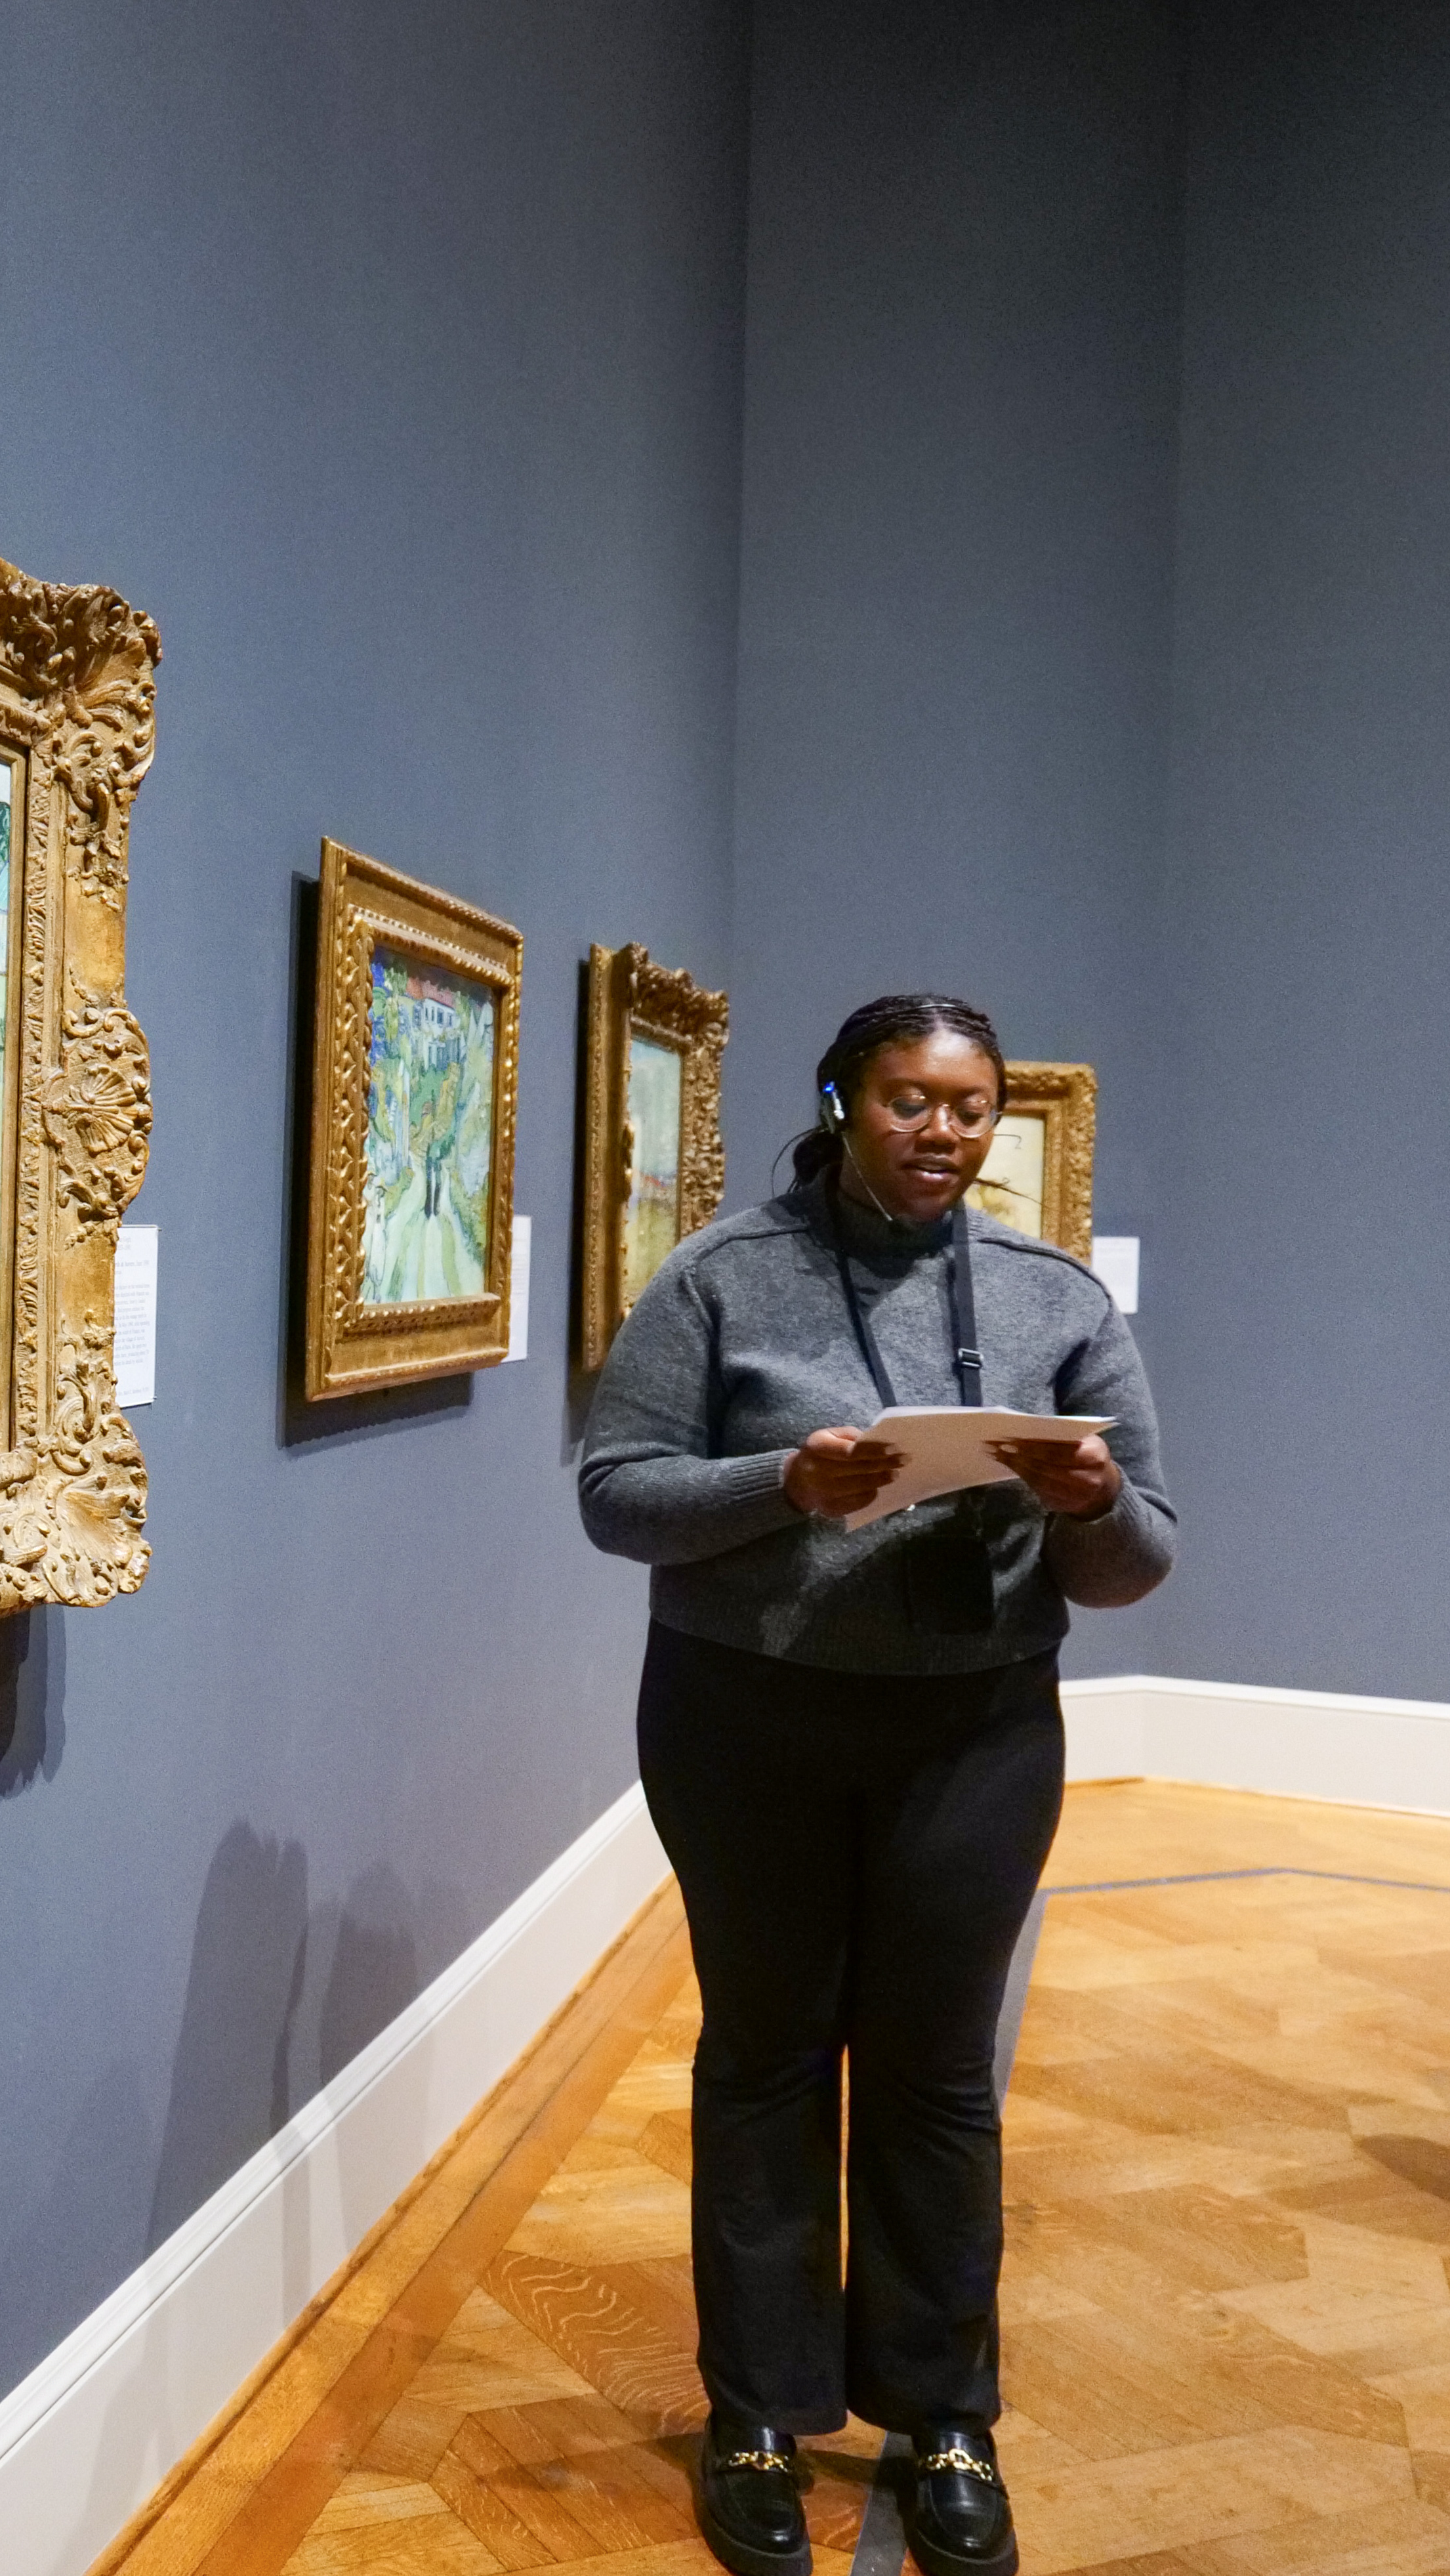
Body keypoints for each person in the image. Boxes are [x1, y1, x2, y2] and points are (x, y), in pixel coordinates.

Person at [577, 994, 1171, 2576]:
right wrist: (783, 1482)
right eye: (907, 1099)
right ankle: (756, 2418)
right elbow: (615, 1497)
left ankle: (942, 2419)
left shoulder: (1055, 1300)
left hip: (972, 1733)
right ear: (842, 1098)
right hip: (744, 1719)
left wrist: (1093, 1496)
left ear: (996, 1121)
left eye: (968, 1108)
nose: (939, 1133)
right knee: (767, 2054)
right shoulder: (720, 1276)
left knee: (933, 2068)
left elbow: (1140, 1564)